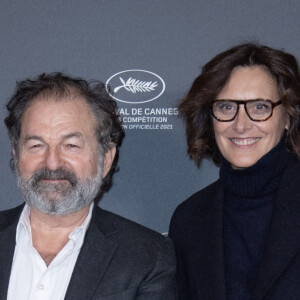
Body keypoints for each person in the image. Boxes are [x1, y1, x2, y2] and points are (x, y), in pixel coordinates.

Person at [1, 72, 177, 300]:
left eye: (71, 145)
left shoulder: (148, 257)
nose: (52, 162)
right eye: (36, 145)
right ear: (16, 155)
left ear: (105, 159)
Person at [169, 43, 300, 300]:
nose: (241, 125)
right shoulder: (189, 219)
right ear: (210, 117)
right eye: (227, 107)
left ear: (287, 117)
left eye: (260, 107)